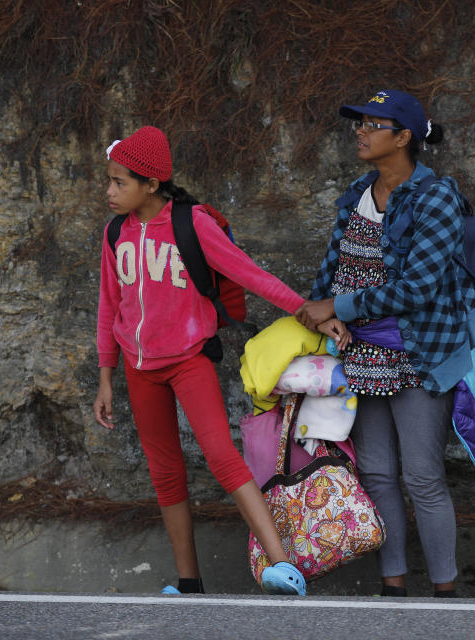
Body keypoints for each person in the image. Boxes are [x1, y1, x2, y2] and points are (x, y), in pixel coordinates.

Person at [93, 125, 344, 596]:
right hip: (137, 366)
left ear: (150, 184)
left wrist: (307, 314)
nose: (109, 191)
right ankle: (189, 583)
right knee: (164, 471)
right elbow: (110, 305)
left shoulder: (192, 224)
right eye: (108, 180)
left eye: (119, 182)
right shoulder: (114, 234)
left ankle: (284, 566)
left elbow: (250, 275)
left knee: (221, 455)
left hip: (188, 360)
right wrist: (106, 377)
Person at [295, 90, 475, 598]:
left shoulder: (437, 197)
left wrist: (338, 307)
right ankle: (392, 588)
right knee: (377, 473)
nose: (362, 131)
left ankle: (446, 592)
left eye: (376, 124)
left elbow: (418, 288)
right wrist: (320, 312)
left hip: (421, 352)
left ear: (403, 138)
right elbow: (333, 268)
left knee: (422, 476)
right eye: (361, 122)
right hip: (362, 353)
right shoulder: (358, 191)